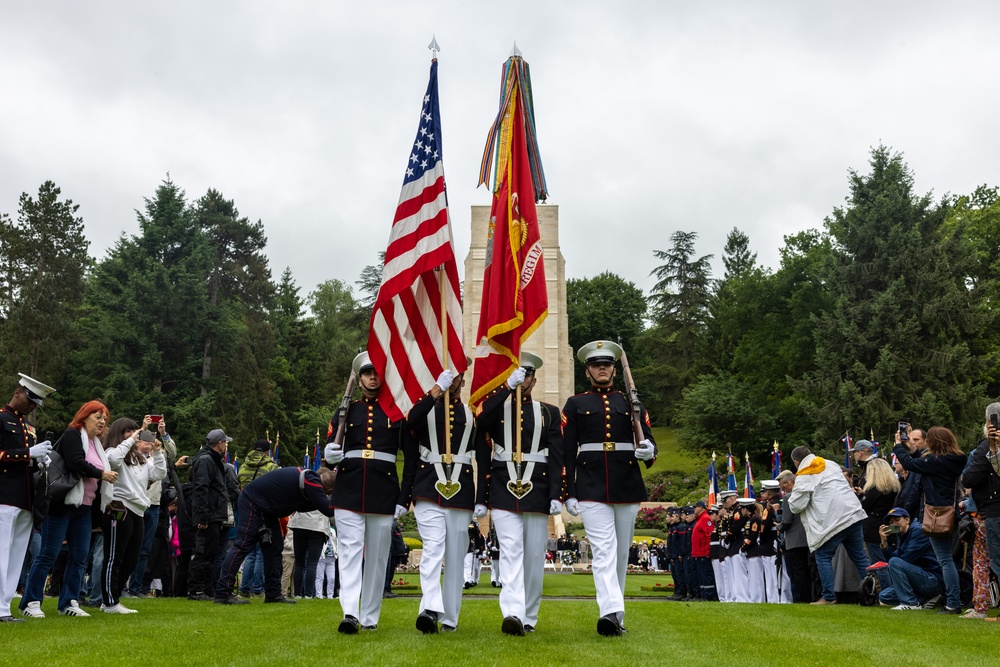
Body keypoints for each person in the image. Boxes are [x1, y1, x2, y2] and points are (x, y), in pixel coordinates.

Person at [562, 340, 656, 636]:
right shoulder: (575, 404)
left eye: (606, 364)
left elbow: (650, 441)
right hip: (590, 485)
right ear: (588, 371)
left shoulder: (631, 403)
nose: (601, 369)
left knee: (620, 554)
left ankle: (616, 613)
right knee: (603, 552)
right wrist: (568, 490)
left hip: (626, 483)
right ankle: (610, 613)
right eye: (595, 365)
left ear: (614, 369)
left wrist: (648, 450)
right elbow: (565, 451)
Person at [473, 351, 564, 635]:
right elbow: (481, 418)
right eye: (518, 374)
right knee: (510, 551)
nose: (523, 379)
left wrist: (556, 494)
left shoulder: (549, 412)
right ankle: (512, 612)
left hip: (537, 488)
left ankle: (529, 615)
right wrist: (506, 387)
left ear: (534, 380)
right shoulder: (497, 407)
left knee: (535, 556)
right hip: (503, 488)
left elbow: (557, 456)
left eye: (527, 375)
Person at [324, 350, 412, 632]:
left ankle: (370, 616)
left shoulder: (397, 411)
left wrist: (404, 497)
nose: (372, 377)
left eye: (376, 373)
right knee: (349, 553)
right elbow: (329, 451)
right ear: (359, 379)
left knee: (376, 557)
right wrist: (329, 453)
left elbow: (409, 459)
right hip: (349, 488)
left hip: (384, 490)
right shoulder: (346, 410)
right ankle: (350, 612)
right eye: (367, 373)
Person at [21, 400, 117, 619]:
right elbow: (75, 462)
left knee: (80, 556)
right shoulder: (73, 434)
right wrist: (101, 474)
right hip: (61, 505)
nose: (102, 422)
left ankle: (69, 602)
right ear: (84, 416)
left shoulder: (96, 444)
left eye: (105, 418)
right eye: (97, 416)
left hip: (83, 507)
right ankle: (31, 602)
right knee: (48, 554)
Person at [401, 367, 479, 634]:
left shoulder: (471, 414)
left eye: (457, 376)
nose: (453, 381)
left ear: (463, 381)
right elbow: (410, 422)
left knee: (457, 555)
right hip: (427, 487)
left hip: (462, 490)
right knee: (433, 547)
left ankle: (450, 617)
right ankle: (430, 608)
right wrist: (435, 390)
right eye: (449, 375)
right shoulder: (426, 407)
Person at [215, 466, 337, 604]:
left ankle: (273, 594)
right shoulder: (312, 481)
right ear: (330, 491)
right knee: (242, 545)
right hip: (252, 502)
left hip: (266, 508)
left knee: (274, 548)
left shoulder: (310, 478)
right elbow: (328, 510)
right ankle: (223, 594)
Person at [893, 425, 967, 614]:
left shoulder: (936, 462)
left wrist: (898, 445)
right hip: (951, 513)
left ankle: (952, 602)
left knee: (945, 560)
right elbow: (921, 461)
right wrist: (911, 446)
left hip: (937, 515)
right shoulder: (953, 460)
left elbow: (910, 464)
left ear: (933, 443)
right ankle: (953, 599)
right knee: (947, 559)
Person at [0, 374, 55, 623]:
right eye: (30, 399)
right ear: (18, 392)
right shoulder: (1, 418)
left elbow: (28, 464)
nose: (32, 406)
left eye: (37, 403)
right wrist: (27, 453)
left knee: (16, 556)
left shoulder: (29, 427)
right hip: (4, 496)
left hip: (25, 499)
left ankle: (4, 608)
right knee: (2, 553)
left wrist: (39, 461)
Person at [100, 416, 167, 613]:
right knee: (114, 556)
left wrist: (157, 451)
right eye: (128, 432)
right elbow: (112, 461)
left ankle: (113, 598)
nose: (133, 436)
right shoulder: (112, 452)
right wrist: (131, 440)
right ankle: (110, 601)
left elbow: (158, 474)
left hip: (138, 510)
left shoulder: (140, 458)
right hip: (118, 507)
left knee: (131, 559)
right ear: (119, 434)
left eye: (134, 432)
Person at [787, 445, 869, 605]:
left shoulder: (805, 474)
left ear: (797, 462)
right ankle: (873, 591)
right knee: (859, 556)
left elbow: (797, 505)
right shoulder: (830, 464)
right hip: (852, 513)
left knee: (823, 556)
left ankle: (829, 597)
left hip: (833, 520)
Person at [125, 416, 175, 598]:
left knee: (145, 549)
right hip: (135, 503)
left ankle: (137, 588)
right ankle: (123, 586)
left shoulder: (157, 456)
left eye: (150, 441)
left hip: (153, 505)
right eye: (144, 441)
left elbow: (172, 453)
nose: (148, 444)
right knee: (129, 546)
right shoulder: (132, 456)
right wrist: (143, 427)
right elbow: (126, 446)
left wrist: (163, 434)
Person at [187, 428, 239, 601]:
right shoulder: (206, 460)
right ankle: (196, 590)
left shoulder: (212, 460)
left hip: (214, 514)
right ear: (219, 443)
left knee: (210, 554)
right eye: (225, 442)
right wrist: (203, 517)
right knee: (203, 553)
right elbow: (201, 489)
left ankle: (207, 589)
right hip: (209, 515)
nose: (226, 445)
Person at [961, 403, 1000, 621]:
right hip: (988, 511)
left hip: (990, 512)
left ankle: (981, 605)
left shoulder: (986, 448)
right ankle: (981, 605)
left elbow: (970, 478)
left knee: (986, 561)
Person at [876, 508, 943, 609]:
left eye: (897, 520)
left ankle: (910, 603)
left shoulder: (918, 531)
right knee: (884, 596)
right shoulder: (903, 535)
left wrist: (895, 560)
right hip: (917, 580)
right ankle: (928, 599)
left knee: (895, 562)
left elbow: (906, 559)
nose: (894, 524)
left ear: (907, 520)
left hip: (932, 579)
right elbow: (895, 562)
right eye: (891, 522)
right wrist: (884, 544)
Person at [236, 438, 278, 599]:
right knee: (262, 551)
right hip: (263, 510)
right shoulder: (271, 467)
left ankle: (244, 588)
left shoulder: (243, 466)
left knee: (249, 552)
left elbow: (239, 485)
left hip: (246, 510)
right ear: (268, 452)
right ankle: (258, 589)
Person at [858, 457, 900, 591]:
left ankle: (887, 593)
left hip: (873, 527)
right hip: (889, 525)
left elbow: (863, 506)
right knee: (889, 559)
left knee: (878, 562)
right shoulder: (895, 487)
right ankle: (895, 589)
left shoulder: (873, 488)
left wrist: (861, 496)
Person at [690, 500, 716, 600]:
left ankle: (709, 595)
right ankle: (704, 594)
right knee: (701, 576)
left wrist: (707, 551)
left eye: (695, 507)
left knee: (706, 575)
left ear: (701, 508)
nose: (694, 509)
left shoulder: (705, 519)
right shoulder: (700, 519)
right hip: (698, 553)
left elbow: (708, 536)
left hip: (703, 553)